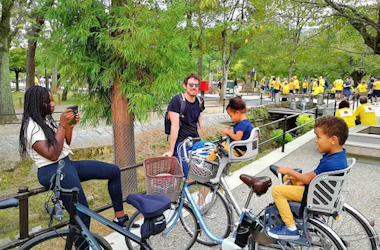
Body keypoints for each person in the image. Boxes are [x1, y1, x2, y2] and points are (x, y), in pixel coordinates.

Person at [18, 86, 133, 233]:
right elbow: (52, 154)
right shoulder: (31, 127)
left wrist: (69, 127)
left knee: (114, 171)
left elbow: (63, 144)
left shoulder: (44, 120)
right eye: (48, 101)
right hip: (52, 171)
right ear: (36, 103)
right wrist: (61, 125)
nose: (52, 104)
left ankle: (120, 219)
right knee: (82, 214)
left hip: (66, 164)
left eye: (52, 100)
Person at [268, 116, 348, 240]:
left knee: (277, 191)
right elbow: (314, 174)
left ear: (333, 140)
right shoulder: (338, 156)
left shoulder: (331, 162)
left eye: (318, 137)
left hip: (314, 195)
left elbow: (308, 180)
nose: (316, 140)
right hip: (322, 191)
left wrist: (289, 170)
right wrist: (294, 175)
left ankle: (290, 228)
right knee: (289, 179)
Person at [163, 73, 205, 175]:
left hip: (195, 140)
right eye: (191, 85)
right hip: (182, 143)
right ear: (184, 86)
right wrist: (171, 150)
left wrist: (200, 141)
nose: (194, 87)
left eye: (196, 85)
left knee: (206, 171)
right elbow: (175, 127)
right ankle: (185, 188)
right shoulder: (177, 101)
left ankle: (204, 190)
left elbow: (199, 124)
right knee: (189, 172)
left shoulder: (200, 101)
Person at [207, 96, 253, 161]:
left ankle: (208, 161)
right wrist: (231, 132)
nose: (231, 118)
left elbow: (237, 138)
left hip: (239, 150)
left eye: (231, 116)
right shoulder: (246, 122)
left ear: (237, 113)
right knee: (223, 145)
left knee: (218, 147)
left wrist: (228, 132)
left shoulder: (241, 124)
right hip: (243, 149)